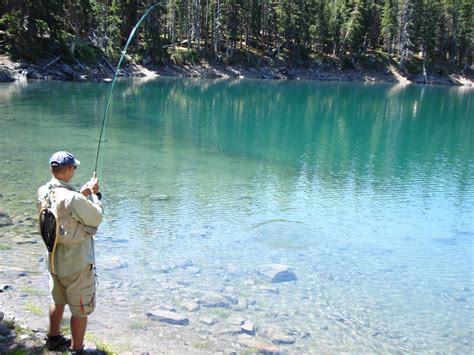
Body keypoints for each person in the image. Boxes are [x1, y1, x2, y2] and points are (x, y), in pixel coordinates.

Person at [36, 151, 103, 354]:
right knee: (80, 309)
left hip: (54, 259)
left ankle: (53, 339)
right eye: (74, 167)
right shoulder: (72, 198)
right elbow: (96, 217)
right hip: (76, 262)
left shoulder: (43, 191)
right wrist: (94, 195)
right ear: (70, 169)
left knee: (57, 300)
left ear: (52, 169)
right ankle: (77, 349)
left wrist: (81, 195)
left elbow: (61, 214)